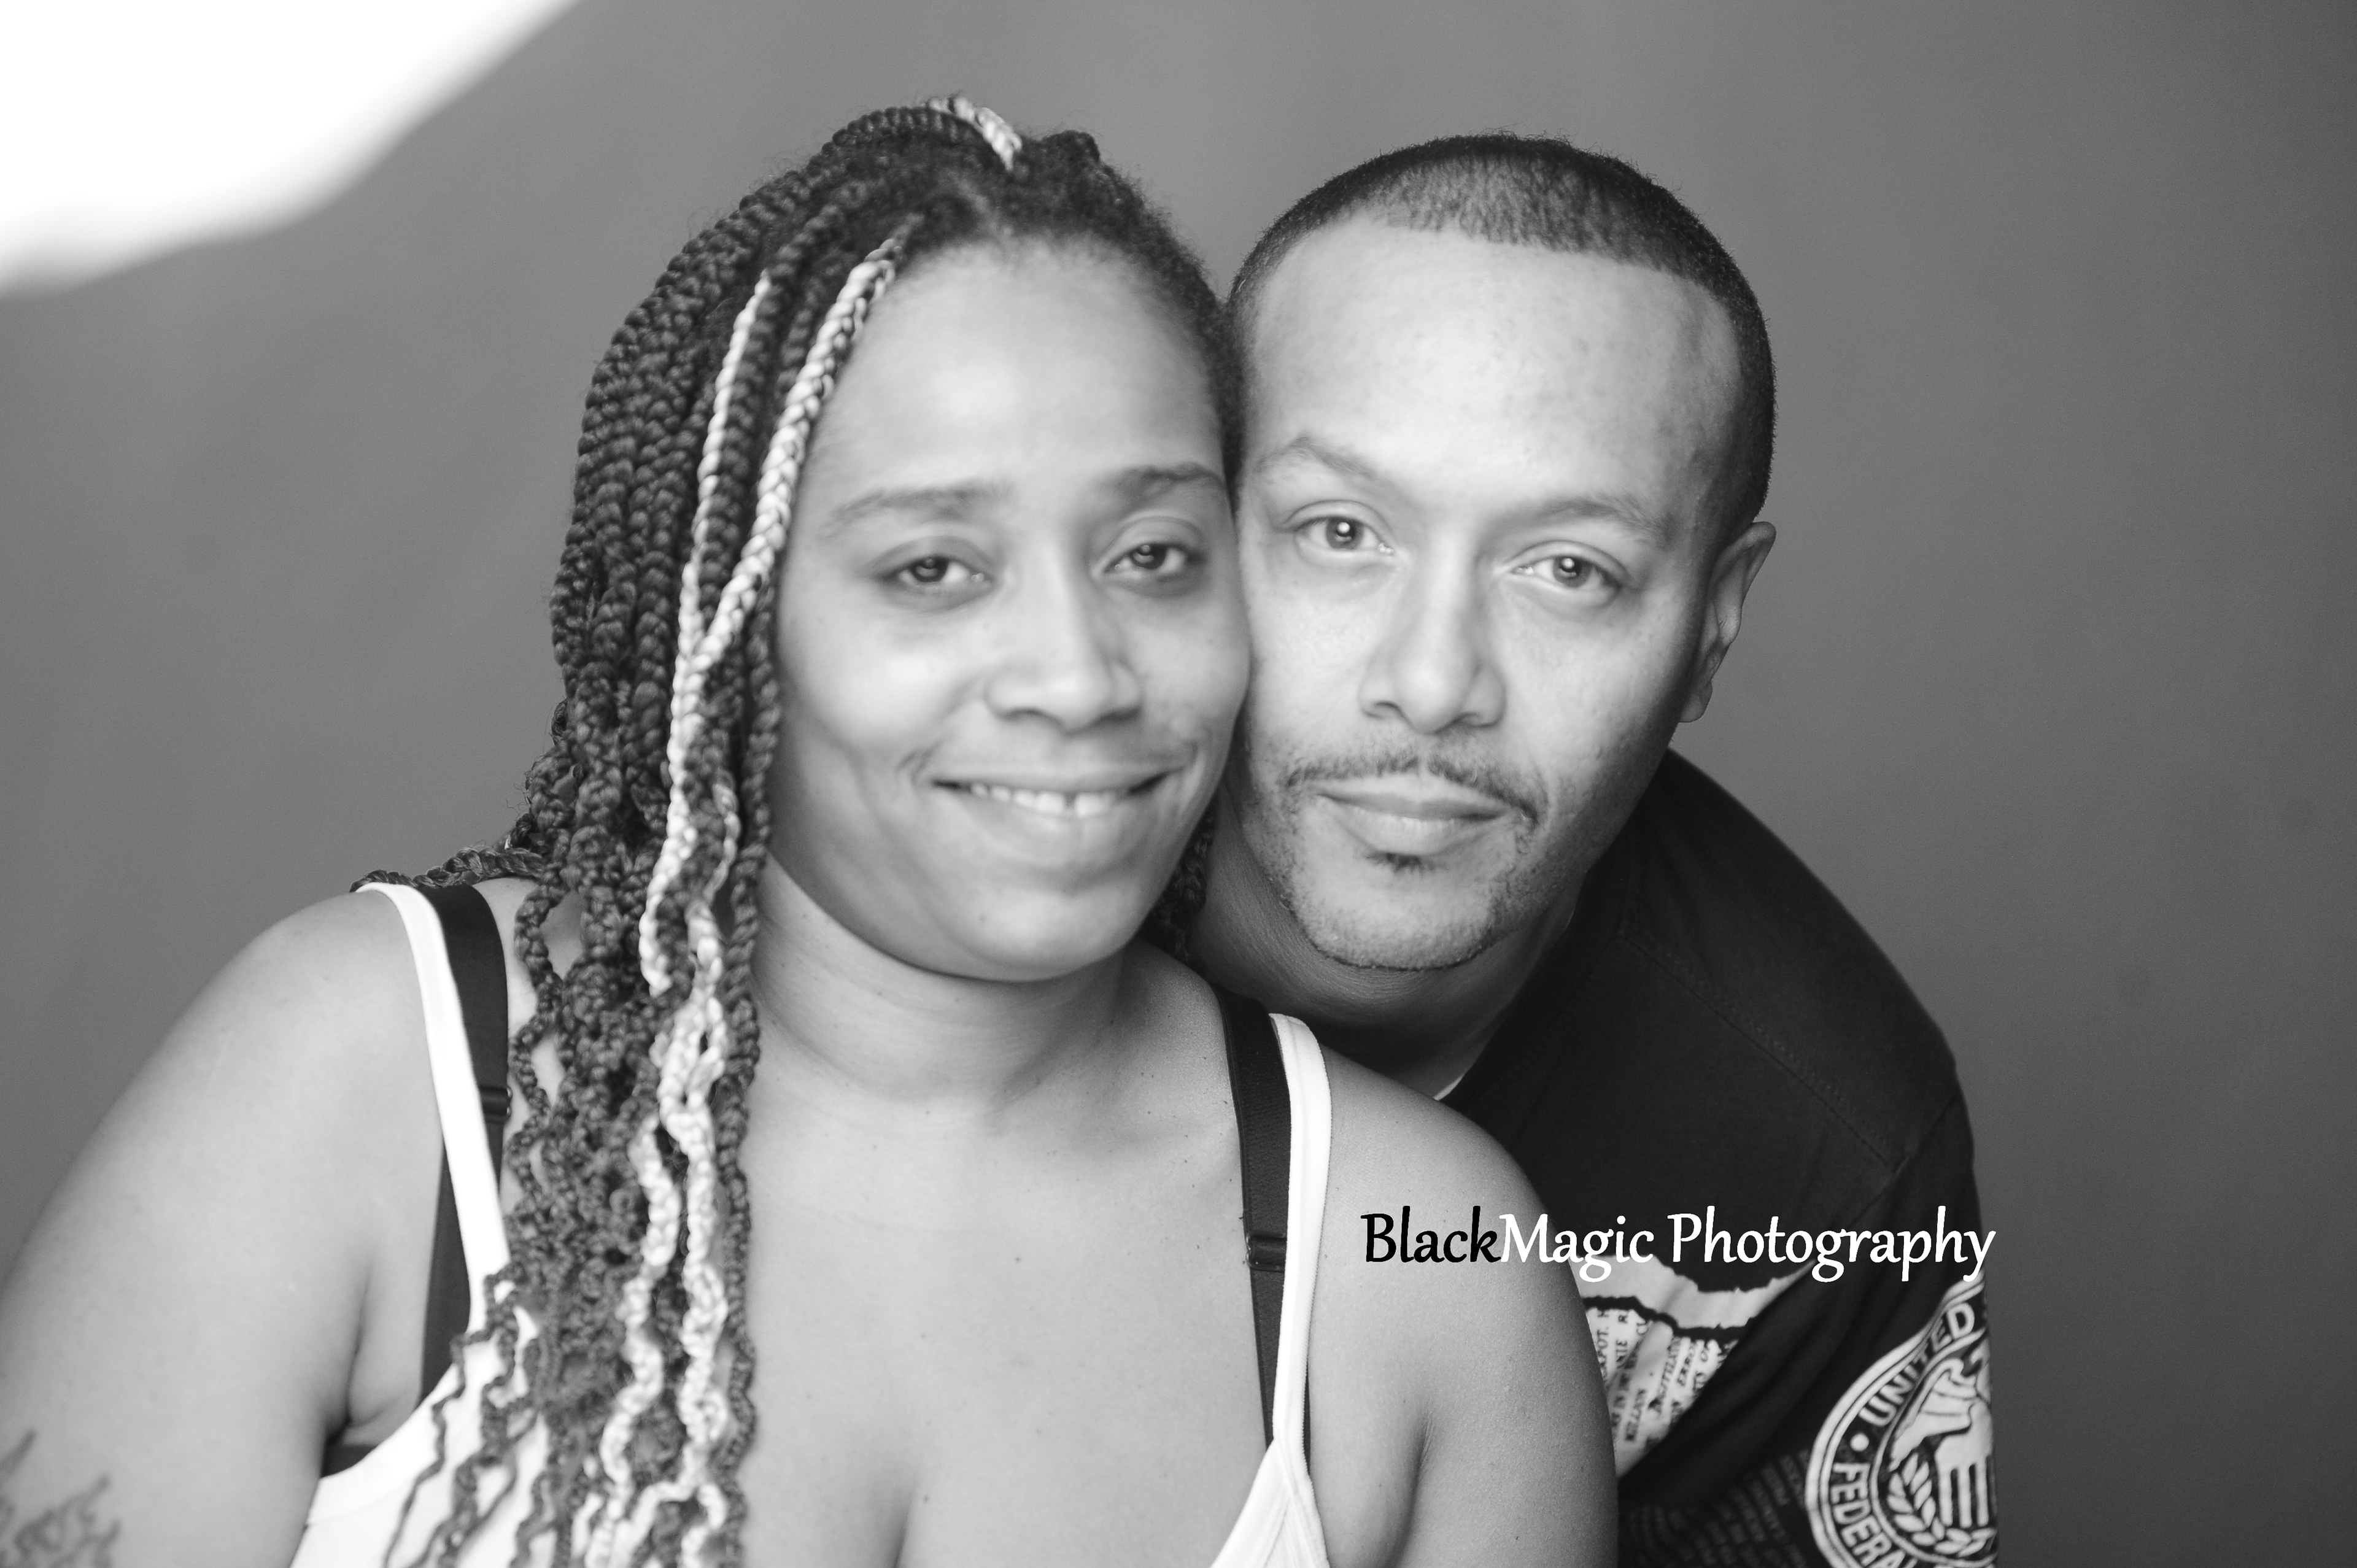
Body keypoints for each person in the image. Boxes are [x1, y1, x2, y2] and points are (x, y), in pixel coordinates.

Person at [0, 104, 1612, 1567]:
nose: (1076, 676)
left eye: (1152, 555)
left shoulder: (1428, 1271)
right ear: (732, 626)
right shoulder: (370, 1079)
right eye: (933, 569)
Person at [1180, 135, 1992, 1568]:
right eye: (1340, 531)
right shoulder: (962, 905)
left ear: (1713, 625)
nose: (1433, 682)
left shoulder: (1822, 1162)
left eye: (1571, 570)